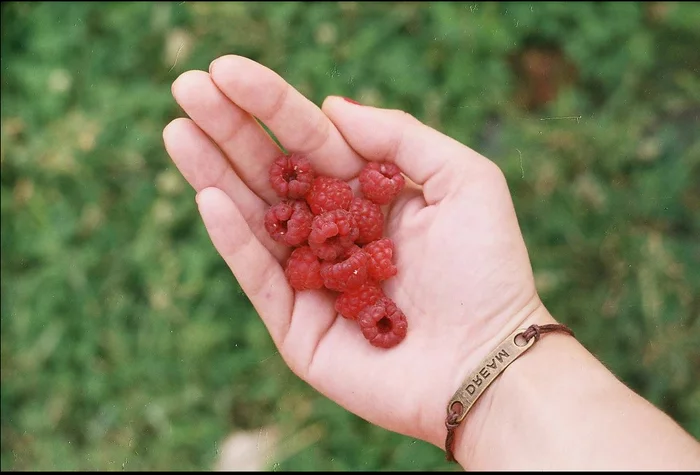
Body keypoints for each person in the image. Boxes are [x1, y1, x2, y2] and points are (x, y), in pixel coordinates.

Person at [163, 55, 700, 470]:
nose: (333, 243)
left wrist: (492, 339)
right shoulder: (336, 244)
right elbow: (335, 256)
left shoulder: (353, 239)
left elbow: (347, 252)